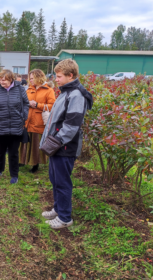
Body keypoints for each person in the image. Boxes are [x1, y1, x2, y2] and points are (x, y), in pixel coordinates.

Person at [40, 59, 93, 229]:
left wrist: (55, 142)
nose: (56, 79)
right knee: (55, 179)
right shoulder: (65, 92)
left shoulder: (76, 95)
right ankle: (58, 208)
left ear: (71, 75)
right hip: (57, 146)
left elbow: (71, 126)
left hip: (64, 147)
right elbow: (61, 118)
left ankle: (64, 217)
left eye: (59, 76)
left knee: (62, 182)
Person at [0, 69, 29, 184]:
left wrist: (23, 116)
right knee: (0, 151)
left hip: (16, 125)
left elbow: (26, 103)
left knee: (14, 152)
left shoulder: (20, 89)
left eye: (4, 80)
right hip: (0, 125)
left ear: (11, 79)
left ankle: (14, 174)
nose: (1, 82)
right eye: (0, 79)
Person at [19, 69, 56, 173]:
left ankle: (36, 164)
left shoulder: (49, 90)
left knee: (36, 144)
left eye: (32, 78)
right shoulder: (29, 89)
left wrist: (37, 105)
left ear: (39, 77)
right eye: (29, 78)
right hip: (27, 120)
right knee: (25, 142)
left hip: (38, 121)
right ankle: (22, 161)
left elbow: (52, 106)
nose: (30, 80)